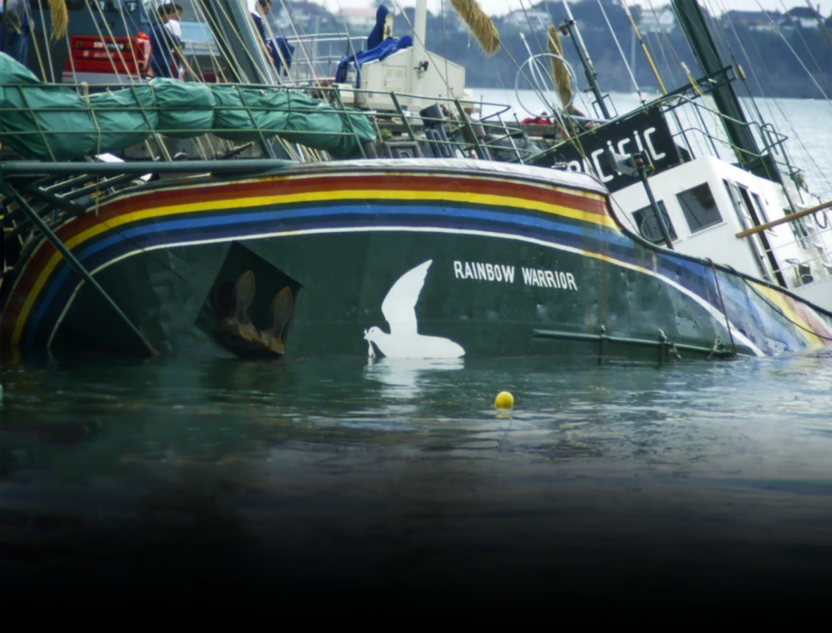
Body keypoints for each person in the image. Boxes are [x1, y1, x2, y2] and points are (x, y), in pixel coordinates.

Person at [148, 2, 183, 79]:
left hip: (155, 59)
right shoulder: (162, 29)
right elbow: (174, 41)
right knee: (165, 83)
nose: (170, 18)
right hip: (164, 59)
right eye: (169, 14)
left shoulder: (152, 28)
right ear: (164, 14)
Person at [2, 0, 31, 67]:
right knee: (15, 61)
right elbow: (10, 9)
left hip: (24, 31)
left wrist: (31, 22)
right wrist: (17, 23)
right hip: (17, 32)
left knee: (22, 62)